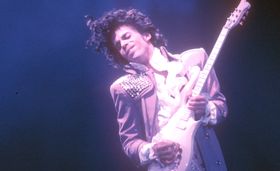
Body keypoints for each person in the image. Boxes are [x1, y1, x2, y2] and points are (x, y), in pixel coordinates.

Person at [86, 8, 228, 171]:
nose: (123, 44)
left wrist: (206, 108)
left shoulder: (195, 59)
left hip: (206, 160)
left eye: (127, 36)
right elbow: (130, 143)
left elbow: (221, 106)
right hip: (168, 166)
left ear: (146, 35)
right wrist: (153, 149)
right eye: (118, 45)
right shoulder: (122, 87)